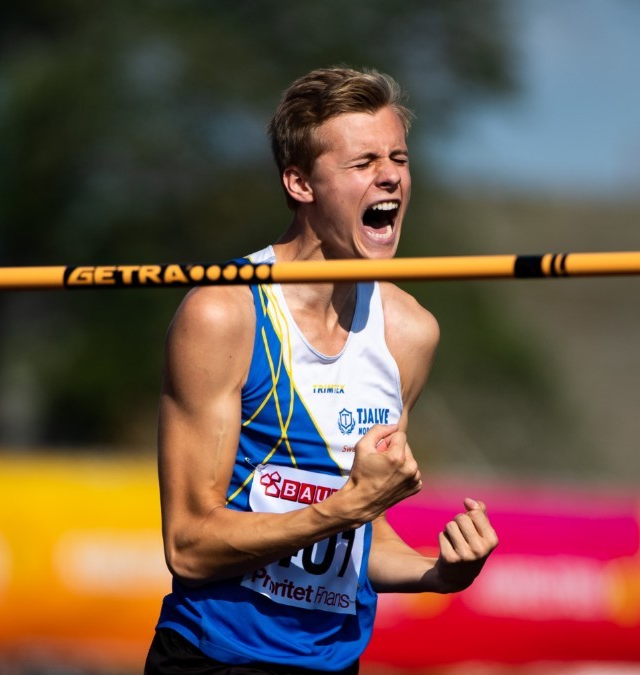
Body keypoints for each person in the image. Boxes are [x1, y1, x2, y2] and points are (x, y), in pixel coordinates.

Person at [147, 66, 498, 674]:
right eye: (362, 163)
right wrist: (344, 509)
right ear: (300, 183)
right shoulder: (223, 315)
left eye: (398, 158)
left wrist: (439, 574)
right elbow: (189, 546)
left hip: (335, 665)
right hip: (215, 658)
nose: (390, 175)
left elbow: (364, 538)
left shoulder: (409, 332)